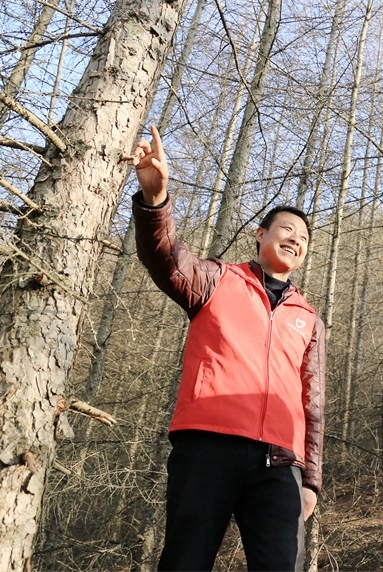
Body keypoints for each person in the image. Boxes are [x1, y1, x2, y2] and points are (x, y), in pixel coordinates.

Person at [130, 126, 325, 571]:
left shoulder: (308, 317)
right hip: (207, 446)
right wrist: (156, 200)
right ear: (261, 234)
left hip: (281, 463)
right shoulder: (217, 279)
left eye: (304, 238)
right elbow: (165, 258)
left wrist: (310, 479)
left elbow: (312, 402)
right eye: (287, 230)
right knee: (185, 561)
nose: (296, 239)